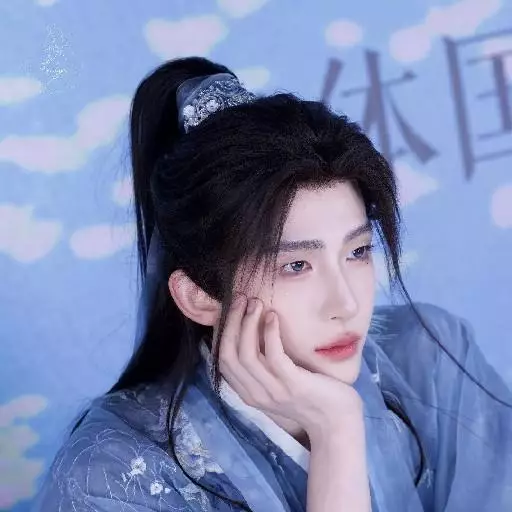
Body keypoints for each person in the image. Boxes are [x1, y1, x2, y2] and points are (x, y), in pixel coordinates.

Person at [33, 57, 512, 512]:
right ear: (198, 296)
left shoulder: (429, 358)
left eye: (358, 252)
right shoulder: (112, 473)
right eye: (296, 266)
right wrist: (337, 432)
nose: (345, 303)